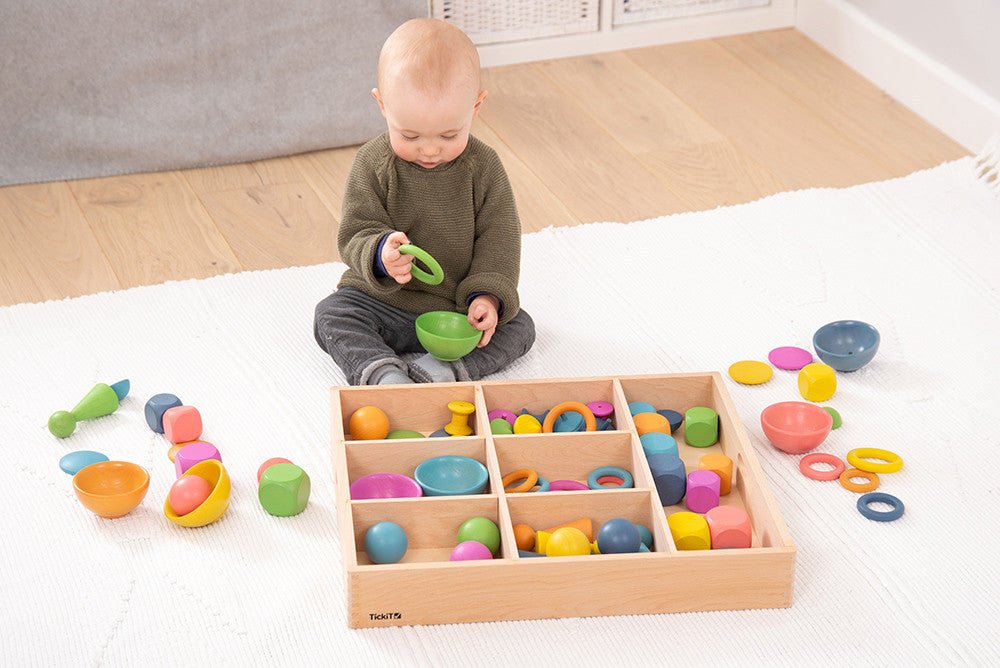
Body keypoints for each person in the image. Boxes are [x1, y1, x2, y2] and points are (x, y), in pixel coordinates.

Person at [313, 18, 535, 385]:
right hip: (384, 303)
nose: (430, 149)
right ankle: (382, 371)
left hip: (455, 311)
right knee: (332, 314)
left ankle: (446, 369)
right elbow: (356, 231)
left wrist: (487, 299)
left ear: (475, 107)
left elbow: (500, 240)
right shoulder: (373, 163)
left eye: (450, 134)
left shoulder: (484, 167)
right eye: (410, 134)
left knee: (520, 326)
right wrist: (381, 254)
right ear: (382, 105)